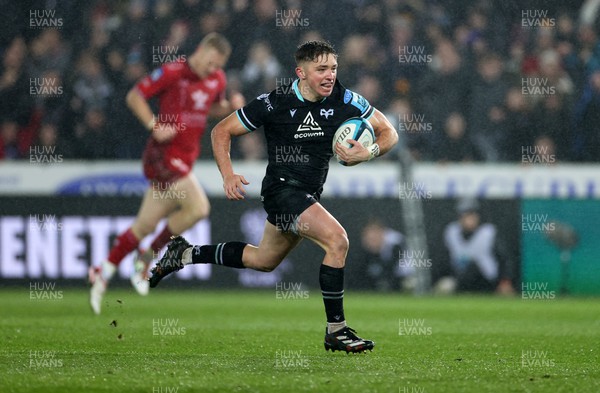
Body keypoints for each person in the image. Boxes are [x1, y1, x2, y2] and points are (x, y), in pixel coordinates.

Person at [148, 41, 399, 353]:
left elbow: (389, 132)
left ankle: (184, 254)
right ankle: (336, 330)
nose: (330, 75)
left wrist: (370, 150)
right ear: (301, 72)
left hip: (307, 193)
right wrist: (228, 174)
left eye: (333, 68)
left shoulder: (345, 100)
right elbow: (221, 132)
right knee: (338, 241)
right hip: (282, 191)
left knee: (263, 260)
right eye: (321, 69)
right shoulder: (275, 102)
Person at [89, 33, 245, 315]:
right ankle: (151, 255)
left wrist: (230, 107)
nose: (213, 70)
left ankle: (104, 271)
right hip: (162, 156)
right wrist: (153, 124)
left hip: (184, 159)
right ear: (202, 49)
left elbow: (210, 108)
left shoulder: (217, 79)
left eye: (217, 66)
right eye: (211, 63)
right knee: (198, 207)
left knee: (144, 225)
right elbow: (134, 95)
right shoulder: (173, 72)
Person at [435, 198, 514, 294]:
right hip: (460, 280)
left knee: (473, 267)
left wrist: (505, 281)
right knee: (446, 285)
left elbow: (504, 259)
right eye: (465, 215)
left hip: (486, 280)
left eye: (472, 215)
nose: (469, 219)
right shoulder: (452, 232)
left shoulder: (488, 232)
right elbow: (443, 260)